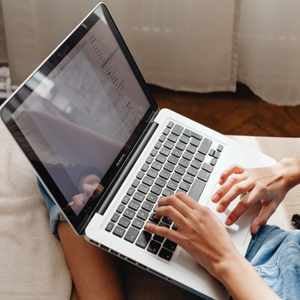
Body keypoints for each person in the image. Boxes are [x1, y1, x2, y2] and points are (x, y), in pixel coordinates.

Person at [41, 157, 300, 300]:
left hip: (256, 280)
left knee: (67, 186)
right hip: (278, 252)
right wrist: (287, 171)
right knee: (72, 168)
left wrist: (224, 259)